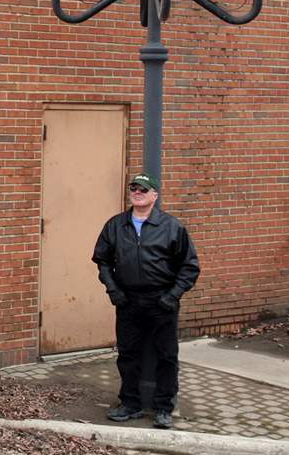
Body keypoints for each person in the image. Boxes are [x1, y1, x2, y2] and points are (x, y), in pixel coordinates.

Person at [92, 173, 200, 429]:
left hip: (161, 301)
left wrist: (172, 296)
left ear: (154, 195)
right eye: (134, 188)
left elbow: (189, 266)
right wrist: (113, 290)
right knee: (128, 354)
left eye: (144, 188)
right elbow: (102, 261)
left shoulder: (172, 227)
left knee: (166, 356)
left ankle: (163, 408)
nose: (137, 192)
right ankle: (130, 404)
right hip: (127, 300)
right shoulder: (115, 226)